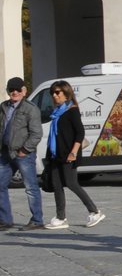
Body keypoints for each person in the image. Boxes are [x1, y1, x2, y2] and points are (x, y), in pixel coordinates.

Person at [42, 81, 104, 230]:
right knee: (57, 185)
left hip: (68, 155)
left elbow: (80, 133)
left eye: (58, 92)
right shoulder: (56, 113)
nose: (55, 96)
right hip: (56, 155)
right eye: (53, 93)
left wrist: (73, 152)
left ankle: (94, 211)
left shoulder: (72, 110)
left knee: (71, 183)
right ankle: (60, 217)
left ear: (66, 93)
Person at [0, 77, 45, 231]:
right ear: (7, 91)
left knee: (30, 186)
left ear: (24, 91)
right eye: (11, 89)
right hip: (5, 153)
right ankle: (5, 220)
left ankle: (37, 220)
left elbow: (36, 134)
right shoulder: (3, 107)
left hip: (23, 154)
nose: (15, 92)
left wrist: (24, 150)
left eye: (18, 89)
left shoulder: (30, 109)